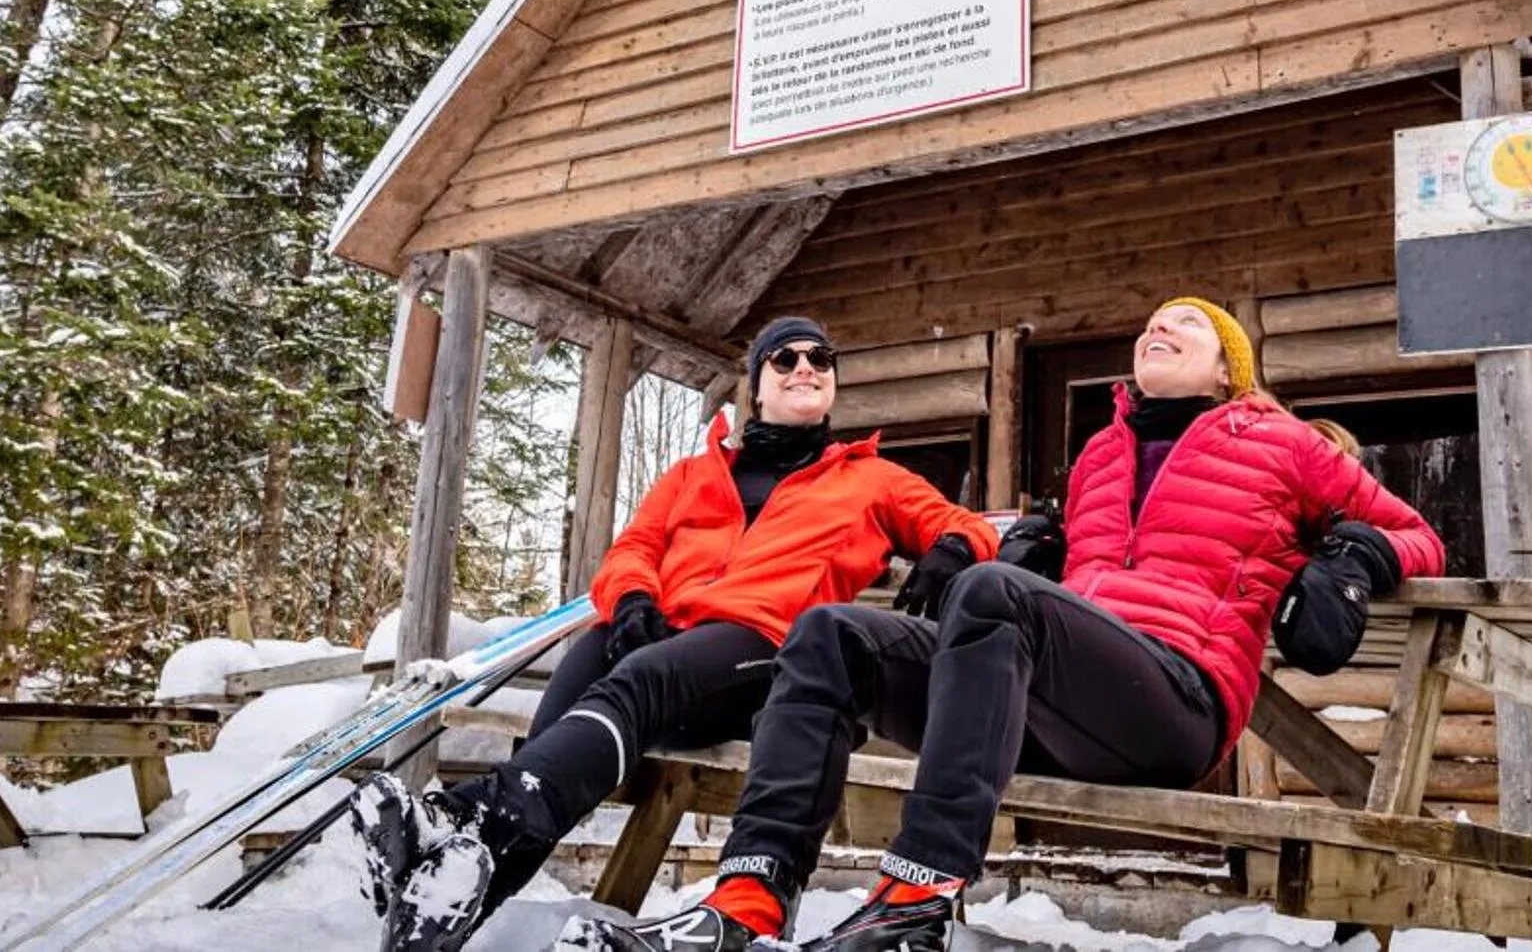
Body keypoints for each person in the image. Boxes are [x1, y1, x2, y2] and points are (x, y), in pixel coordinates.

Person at [563, 297, 1447, 952]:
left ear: (1227, 371)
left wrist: (1350, 562)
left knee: (992, 592)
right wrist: (1041, 545)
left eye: (1186, 322)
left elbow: (1415, 532)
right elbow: (1057, 584)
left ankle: (915, 898)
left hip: (1173, 703)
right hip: (1051, 711)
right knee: (832, 633)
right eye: (1150, 322)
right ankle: (748, 899)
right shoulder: (1100, 455)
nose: (1159, 326)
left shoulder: (1280, 443)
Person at [352, 316, 1000, 952]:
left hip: (772, 658)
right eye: (785, 358)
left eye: (819, 358)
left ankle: (464, 814)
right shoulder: (693, 474)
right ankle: (440, 908)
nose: (805, 367)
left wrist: (950, 550)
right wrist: (633, 598)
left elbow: (967, 526)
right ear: (756, 383)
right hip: (670, 652)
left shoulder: (871, 478)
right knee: (573, 694)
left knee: (641, 678)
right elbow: (632, 549)